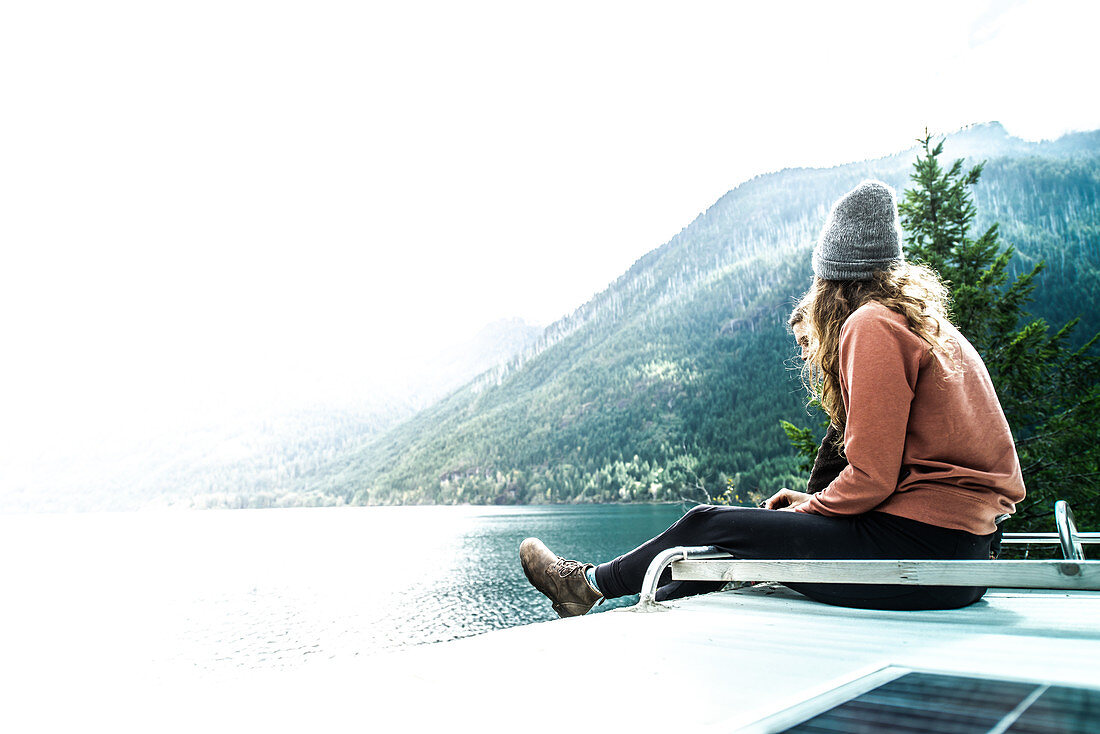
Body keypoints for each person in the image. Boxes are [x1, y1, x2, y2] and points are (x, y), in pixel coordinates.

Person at [519, 180, 1026, 616]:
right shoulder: (931, 327)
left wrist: (805, 515)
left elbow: (873, 477)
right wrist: (812, 505)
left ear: (830, 279)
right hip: (963, 559)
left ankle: (585, 585)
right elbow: (905, 473)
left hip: (920, 557)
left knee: (706, 522)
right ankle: (647, 605)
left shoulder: (870, 324)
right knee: (737, 539)